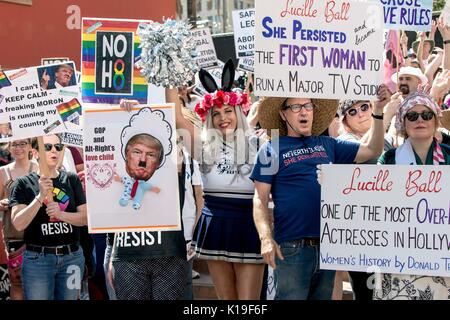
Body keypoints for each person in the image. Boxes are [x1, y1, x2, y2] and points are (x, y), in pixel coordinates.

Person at [250, 85, 390, 300]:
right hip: (292, 247)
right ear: (283, 113)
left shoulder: (328, 144)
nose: (304, 111)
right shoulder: (271, 149)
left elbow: (373, 149)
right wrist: (266, 238)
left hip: (328, 245)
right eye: (295, 107)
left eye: (308, 105)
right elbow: (259, 199)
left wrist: (379, 112)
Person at [167, 59, 266, 300]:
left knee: (248, 300)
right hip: (216, 225)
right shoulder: (203, 146)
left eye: (228, 111)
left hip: (249, 224)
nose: (223, 118)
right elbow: (177, 118)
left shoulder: (260, 144)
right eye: (216, 113)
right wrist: (167, 69)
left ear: (239, 111)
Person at [374, 91, 450, 300]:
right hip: (400, 255)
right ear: (403, 122)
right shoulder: (389, 158)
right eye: (412, 116)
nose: (419, 120)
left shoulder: (449, 154)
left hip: (443, 254)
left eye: (426, 115)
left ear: (435, 121)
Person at [9, 134, 87, 300]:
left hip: (71, 258)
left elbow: (85, 218)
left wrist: (60, 214)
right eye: (48, 147)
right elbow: (18, 223)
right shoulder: (23, 183)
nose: (54, 151)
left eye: (58, 147)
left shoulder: (71, 179)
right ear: (35, 153)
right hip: (38, 261)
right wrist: (40, 196)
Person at [0, 139, 38, 300]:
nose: (18, 148)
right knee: (17, 282)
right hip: (14, 235)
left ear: (30, 146)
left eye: (22, 143)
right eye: (14, 144)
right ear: (8, 148)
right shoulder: (3, 172)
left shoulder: (38, 169)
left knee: (39, 281)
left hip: (38, 233)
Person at [115, 134, 162, 210]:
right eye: (137, 152)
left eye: (150, 155)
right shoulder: (126, 180)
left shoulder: (145, 186)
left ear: (158, 163)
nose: (143, 160)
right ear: (126, 155)